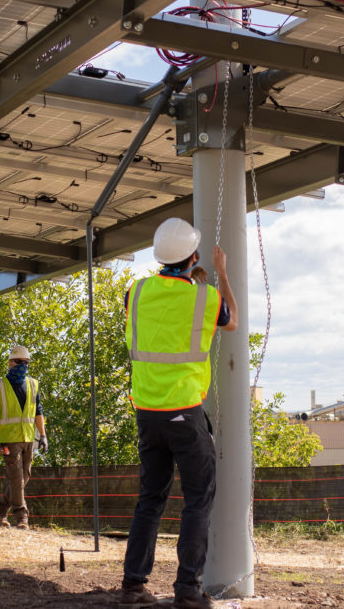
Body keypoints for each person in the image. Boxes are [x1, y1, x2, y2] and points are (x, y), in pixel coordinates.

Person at [120, 218, 238, 609]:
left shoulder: (134, 293)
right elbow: (231, 320)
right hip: (185, 414)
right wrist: (220, 273)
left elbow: (164, 311)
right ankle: (188, 591)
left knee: (150, 499)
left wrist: (188, 279)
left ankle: (133, 586)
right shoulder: (206, 296)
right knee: (197, 500)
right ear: (195, 257)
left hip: (147, 413)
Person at [0, 344, 48, 530]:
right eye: (19, 361)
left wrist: (43, 436)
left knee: (23, 477)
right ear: (10, 363)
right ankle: (22, 517)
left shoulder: (33, 384)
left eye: (26, 362)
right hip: (8, 440)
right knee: (16, 478)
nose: (23, 365)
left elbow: (38, 412)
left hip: (28, 438)